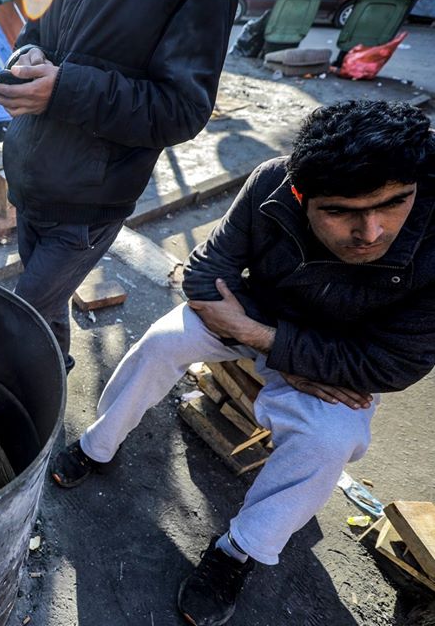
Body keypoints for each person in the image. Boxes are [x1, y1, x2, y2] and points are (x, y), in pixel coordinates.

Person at [49, 101, 435, 625]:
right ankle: (97, 445)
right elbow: (205, 274)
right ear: (302, 195)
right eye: (341, 211)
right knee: (164, 341)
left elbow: (394, 366)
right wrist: (259, 335)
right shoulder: (273, 183)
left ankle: (238, 551)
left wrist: (275, 346)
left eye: (393, 203)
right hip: (258, 319)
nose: (370, 232)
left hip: (336, 362)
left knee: (329, 441)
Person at [0, 0, 238, 372]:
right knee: (48, 310)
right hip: (30, 179)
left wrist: (64, 89)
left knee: (21, 318)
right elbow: (35, 27)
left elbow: (182, 109)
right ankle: (53, 374)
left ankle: (24, 396)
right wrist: (28, 54)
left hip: (88, 201)